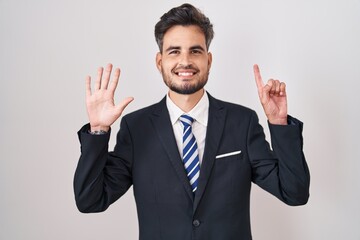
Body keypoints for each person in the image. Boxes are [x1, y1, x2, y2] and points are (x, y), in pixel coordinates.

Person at [74, 3, 310, 240]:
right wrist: (98, 131)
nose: (185, 61)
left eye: (195, 51)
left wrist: (279, 123)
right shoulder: (136, 128)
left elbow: (294, 192)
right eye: (174, 51)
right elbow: (90, 200)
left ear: (209, 60)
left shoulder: (242, 122)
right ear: (159, 61)